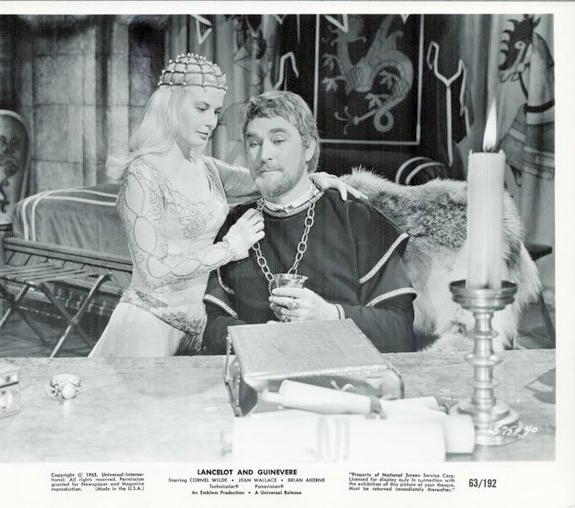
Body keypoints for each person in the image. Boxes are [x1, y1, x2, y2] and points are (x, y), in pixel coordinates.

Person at [89, 54, 358, 357]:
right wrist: (230, 247)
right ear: (171, 105)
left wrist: (313, 176)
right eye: (201, 108)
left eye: (216, 111)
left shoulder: (208, 168)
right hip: (150, 327)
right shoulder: (143, 173)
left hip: (200, 329)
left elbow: (267, 175)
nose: (211, 122)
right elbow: (153, 271)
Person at [203, 90, 417, 354]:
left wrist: (330, 316)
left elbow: (399, 329)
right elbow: (213, 327)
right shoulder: (237, 224)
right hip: (257, 370)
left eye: (278, 140)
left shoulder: (355, 217)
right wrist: (259, 339)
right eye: (254, 143)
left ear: (308, 148)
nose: (264, 155)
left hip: (341, 373)